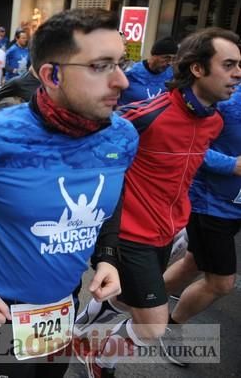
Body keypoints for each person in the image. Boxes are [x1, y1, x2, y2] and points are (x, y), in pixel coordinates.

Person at [0, 8, 137, 378]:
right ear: (52, 74)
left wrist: (107, 256)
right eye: (100, 66)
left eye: (121, 64)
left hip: (63, 303)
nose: (122, 82)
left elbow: (110, 199)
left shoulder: (122, 136)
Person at [74, 27, 240, 378]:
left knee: (124, 300)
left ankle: (88, 320)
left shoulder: (214, 121)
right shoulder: (149, 114)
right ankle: (100, 358)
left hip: (168, 231)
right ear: (197, 68)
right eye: (228, 65)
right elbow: (91, 142)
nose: (238, 73)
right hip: (129, 234)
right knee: (151, 326)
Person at [162, 85, 241, 367]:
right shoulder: (227, 102)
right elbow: (192, 144)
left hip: (235, 205)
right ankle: (171, 326)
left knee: (192, 263)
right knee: (221, 283)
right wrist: (231, 164)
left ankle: (136, 302)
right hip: (210, 204)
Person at [118, 36, 178, 105]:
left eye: (173, 59)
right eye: (166, 58)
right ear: (153, 55)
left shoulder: (172, 76)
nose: (170, 62)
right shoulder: (129, 73)